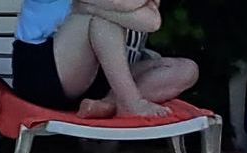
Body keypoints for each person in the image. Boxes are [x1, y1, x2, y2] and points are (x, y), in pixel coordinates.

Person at [11, 0, 198, 121]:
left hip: (92, 74)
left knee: (186, 70)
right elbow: (129, 7)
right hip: (43, 74)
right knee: (101, 20)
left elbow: (151, 22)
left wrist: (90, 7)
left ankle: (108, 103)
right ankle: (132, 103)